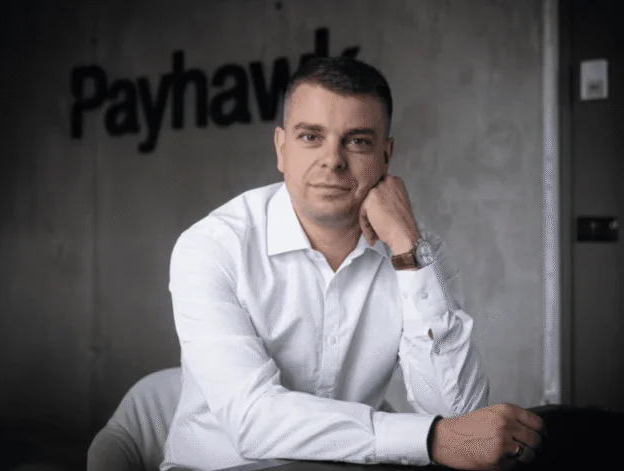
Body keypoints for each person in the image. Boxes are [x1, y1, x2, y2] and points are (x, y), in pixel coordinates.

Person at [161, 57, 545, 471]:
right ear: (281, 148)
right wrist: (430, 439)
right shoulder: (212, 247)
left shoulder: (419, 252)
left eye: (357, 141)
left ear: (386, 155)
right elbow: (253, 420)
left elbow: (458, 416)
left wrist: (407, 250)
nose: (333, 160)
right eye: (311, 136)